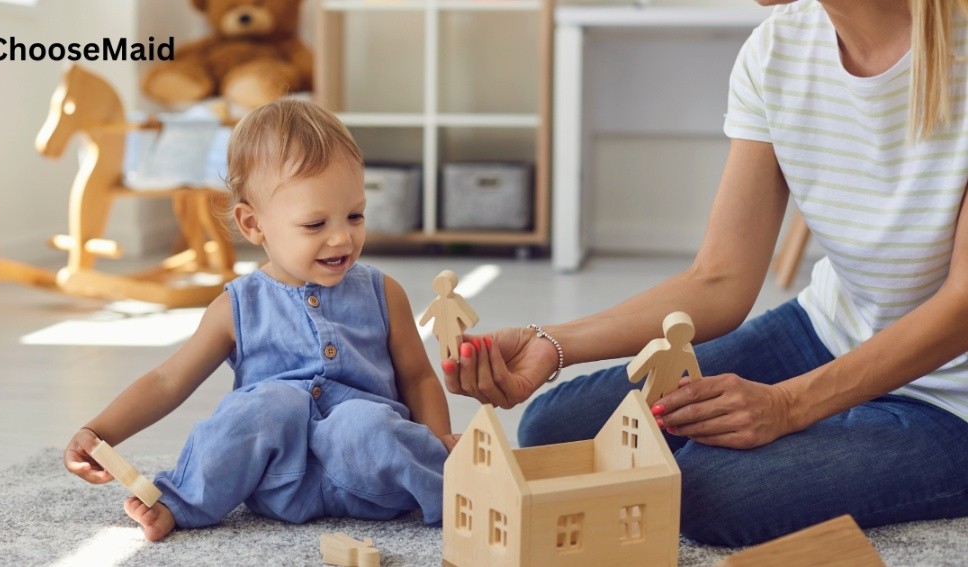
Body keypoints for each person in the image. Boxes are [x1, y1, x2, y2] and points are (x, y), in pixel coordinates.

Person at [444, 0, 968, 548]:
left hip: (951, 396)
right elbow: (719, 279)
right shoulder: (778, 48)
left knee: (705, 491)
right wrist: (551, 343)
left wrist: (790, 405)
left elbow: (961, 306)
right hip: (829, 334)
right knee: (557, 429)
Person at [63, 98, 457, 542]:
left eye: (355, 215)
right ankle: (180, 503)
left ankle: (454, 491)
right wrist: (100, 432)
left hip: (372, 477)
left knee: (363, 421)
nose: (342, 237)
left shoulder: (383, 293)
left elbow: (418, 378)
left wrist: (437, 443)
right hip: (277, 482)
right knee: (266, 405)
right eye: (315, 224)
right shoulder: (236, 306)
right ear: (253, 224)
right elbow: (167, 381)